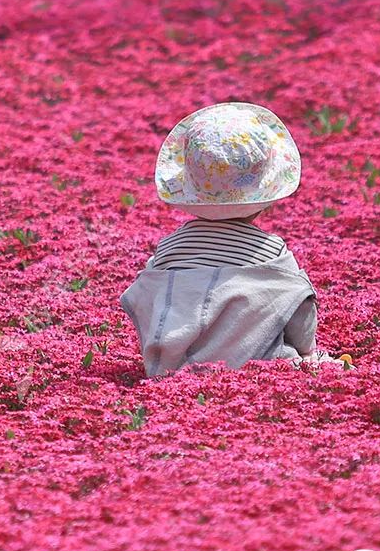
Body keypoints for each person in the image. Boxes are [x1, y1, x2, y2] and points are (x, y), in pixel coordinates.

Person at [120, 102, 344, 377]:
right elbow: (300, 313)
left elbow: (148, 301)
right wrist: (306, 348)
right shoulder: (272, 252)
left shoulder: (168, 249)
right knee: (297, 297)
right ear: (265, 198)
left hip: (171, 372)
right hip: (258, 369)